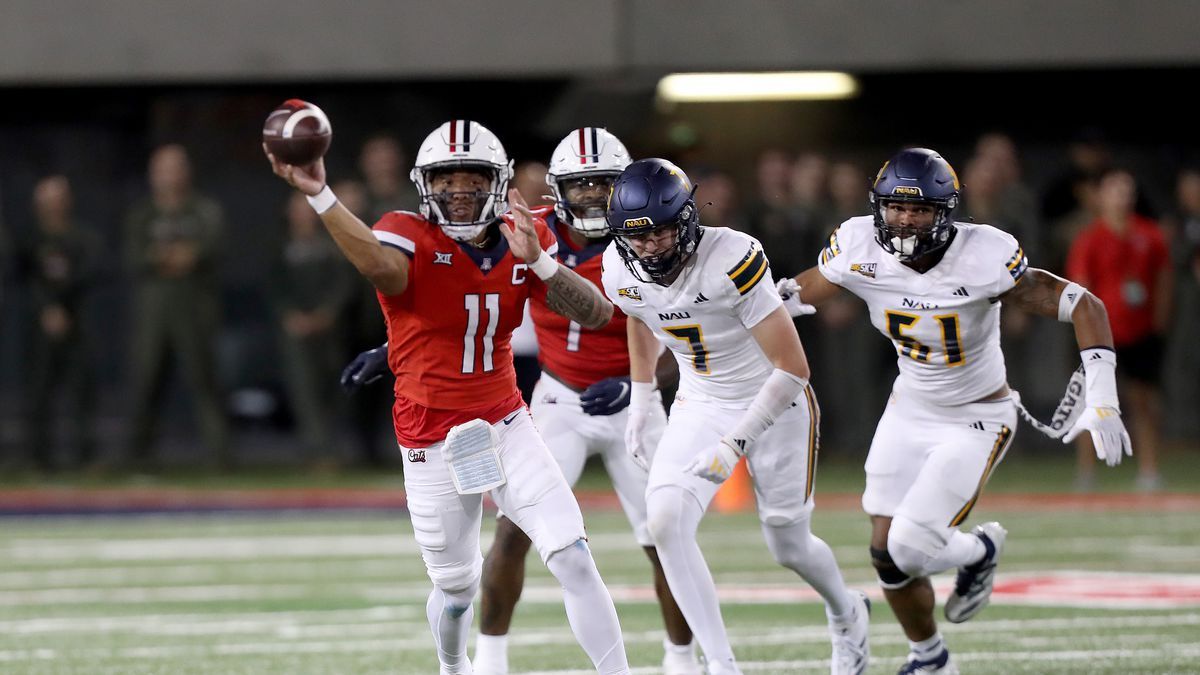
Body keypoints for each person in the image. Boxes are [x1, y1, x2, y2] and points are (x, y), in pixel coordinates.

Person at [265, 119, 631, 675]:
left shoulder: (523, 234)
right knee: (457, 587)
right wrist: (321, 194)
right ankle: (453, 666)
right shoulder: (405, 232)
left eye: (472, 177)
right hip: (430, 434)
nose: (459, 190)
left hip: (507, 422)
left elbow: (598, 312)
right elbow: (380, 268)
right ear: (424, 185)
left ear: (499, 181)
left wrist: (539, 261)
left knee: (573, 555)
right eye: (446, 179)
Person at [341, 128, 699, 674]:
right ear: (555, 190)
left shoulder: (655, 240)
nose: (591, 199)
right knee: (485, 558)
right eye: (579, 187)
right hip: (553, 397)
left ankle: (686, 658)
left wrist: (640, 383)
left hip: (631, 397)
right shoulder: (524, 231)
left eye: (603, 186)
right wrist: (395, 349)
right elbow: (465, 306)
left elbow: (684, 330)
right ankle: (483, 658)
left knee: (660, 537)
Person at [777, 148, 1133, 673]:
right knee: (885, 555)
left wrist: (1102, 398)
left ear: (946, 213)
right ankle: (931, 658)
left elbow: (1085, 304)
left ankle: (978, 550)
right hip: (908, 409)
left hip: (978, 416)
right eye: (895, 207)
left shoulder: (983, 256)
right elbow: (796, 295)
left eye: (919, 209)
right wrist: (734, 313)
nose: (904, 219)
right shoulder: (858, 246)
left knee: (911, 547)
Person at [603, 158, 870, 675]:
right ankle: (721, 665)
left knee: (788, 544)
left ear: (686, 220)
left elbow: (793, 368)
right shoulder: (619, 268)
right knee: (664, 521)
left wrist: (735, 443)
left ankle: (846, 608)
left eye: (660, 231)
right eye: (637, 236)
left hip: (775, 403)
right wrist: (642, 398)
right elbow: (639, 315)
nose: (650, 246)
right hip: (701, 401)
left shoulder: (732, 256)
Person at [123, 144, 230, 471]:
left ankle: (220, 455)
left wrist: (171, 256)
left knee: (205, 381)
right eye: (162, 169)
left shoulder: (204, 210)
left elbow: (208, 250)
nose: (169, 176)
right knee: (145, 380)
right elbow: (134, 257)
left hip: (195, 308)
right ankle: (137, 457)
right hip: (153, 311)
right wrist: (169, 257)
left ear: (187, 172)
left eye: (175, 168)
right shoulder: (142, 214)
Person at [1066, 168, 1170, 492]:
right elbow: (1080, 287)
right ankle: (1086, 473)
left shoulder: (1150, 234)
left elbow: (1164, 280)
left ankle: (1149, 470)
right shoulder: (1089, 238)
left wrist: (1160, 321)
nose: (1122, 197)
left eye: (1127, 190)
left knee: (1143, 402)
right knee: (1091, 402)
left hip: (1140, 332)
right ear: (1100, 196)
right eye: (1114, 190)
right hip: (1100, 335)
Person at [19, 175, 102, 471]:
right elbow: (24, 278)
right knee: (39, 390)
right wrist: (47, 308)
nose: (53, 205)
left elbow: (89, 273)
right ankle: (37, 458)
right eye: (47, 199)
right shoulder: (29, 239)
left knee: (82, 390)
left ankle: (86, 456)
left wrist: (63, 307)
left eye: (58, 198)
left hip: (76, 321)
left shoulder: (82, 237)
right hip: (40, 324)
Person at [270, 192, 353, 471]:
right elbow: (274, 287)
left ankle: (334, 449)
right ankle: (315, 451)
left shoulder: (330, 244)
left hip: (330, 329)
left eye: (307, 209)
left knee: (333, 387)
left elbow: (343, 282)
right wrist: (290, 315)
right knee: (304, 390)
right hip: (294, 330)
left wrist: (328, 313)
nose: (303, 215)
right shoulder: (281, 247)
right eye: (297, 209)